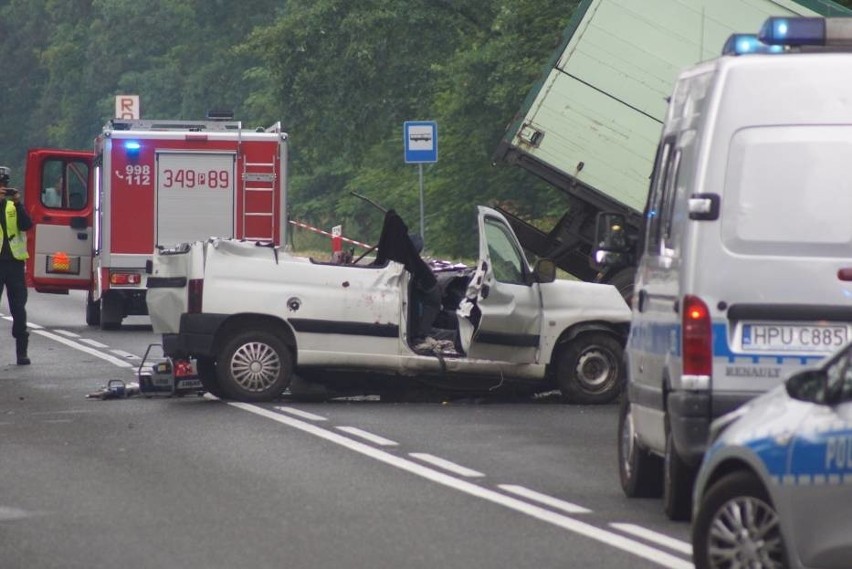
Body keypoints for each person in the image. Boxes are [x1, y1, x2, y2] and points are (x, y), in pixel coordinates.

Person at [0, 166, 33, 364]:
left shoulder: (14, 206)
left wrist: (18, 203)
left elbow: (27, 225)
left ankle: (22, 352)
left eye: (4, 185)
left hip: (14, 263)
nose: (2, 189)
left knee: (18, 309)